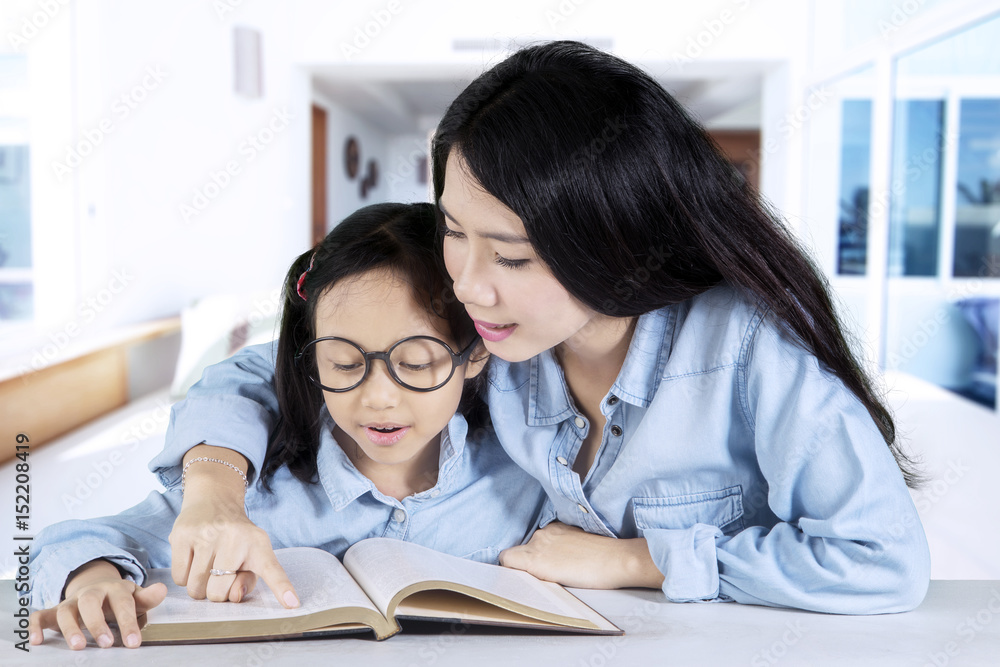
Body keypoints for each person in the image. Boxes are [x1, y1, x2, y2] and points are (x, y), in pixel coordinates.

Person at [150, 41, 930, 615]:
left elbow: (882, 560)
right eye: (455, 231)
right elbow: (281, 365)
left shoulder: (747, 350)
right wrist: (214, 486)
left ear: (614, 239)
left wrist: (634, 561)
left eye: (514, 255)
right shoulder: (501, 333)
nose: (468, 282)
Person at [26, 203, 545, 650]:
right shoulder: (256, 496)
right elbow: (73, 540)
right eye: (344, 363)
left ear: (475, 355)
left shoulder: (523, 478)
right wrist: (90, 582)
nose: (378, 397)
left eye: (415, 363)